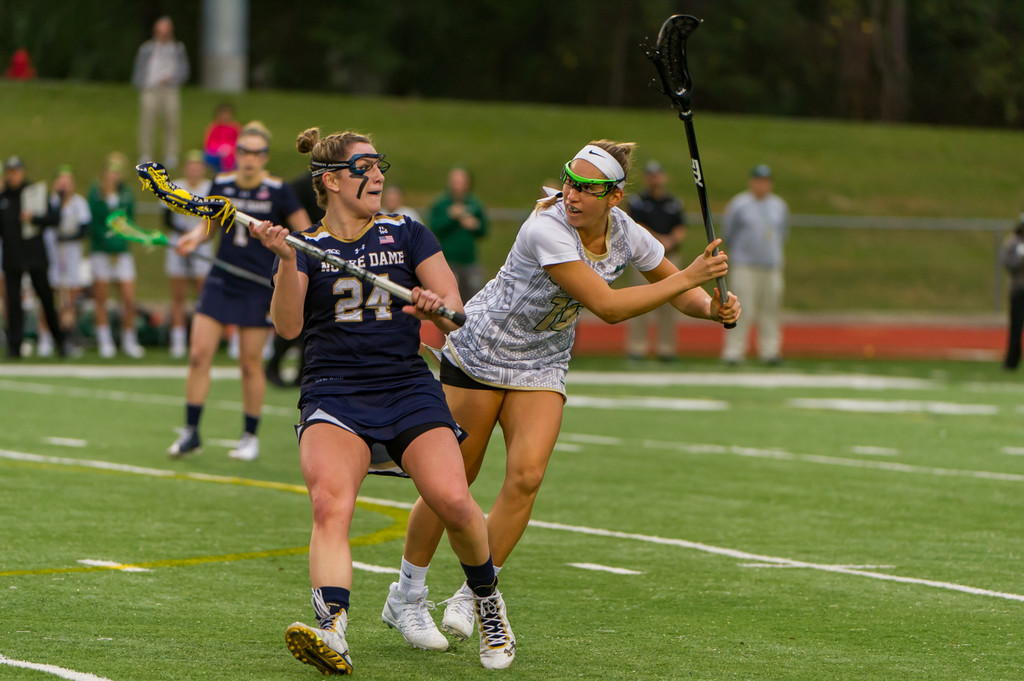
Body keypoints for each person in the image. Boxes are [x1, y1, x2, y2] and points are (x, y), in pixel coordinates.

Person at [382, 141, 738, 648]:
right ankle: (407, 597)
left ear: (614, 197)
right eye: (569, 181)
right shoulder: (545, 227)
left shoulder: (626, 233)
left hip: (541, 363)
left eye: (587, 188)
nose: (572, 194)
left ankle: (473, 593)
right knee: (452, 482)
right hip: (482, 352)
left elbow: (674, 288)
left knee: (526, 477)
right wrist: (692, 275)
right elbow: (608, 307)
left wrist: (709, 307)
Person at [250, 127, 514, 674]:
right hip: (333, 390)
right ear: (329, 181)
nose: (377, 174)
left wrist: (431, 307)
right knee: (330, 502)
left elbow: (454, 311)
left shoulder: (407, 234)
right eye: (363, 165)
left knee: (454, 500)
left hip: (405, 385)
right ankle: (333, 631)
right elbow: (287, 326)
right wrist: (281, 262)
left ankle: (488, 603)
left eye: (378, 164)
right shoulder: (306, 248)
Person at [167, 121, 310, 462]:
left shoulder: (278, 190)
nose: (250, 158)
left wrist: (283, 245)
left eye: (257, 152)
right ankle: (190, 433)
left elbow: (305, 232)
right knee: (199, 354)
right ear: (236, 154)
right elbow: (210, 226)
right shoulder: (222, 183)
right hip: (222, 279)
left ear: (266, 157)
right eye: (244, 151)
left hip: (259, 285)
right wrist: (192, 238)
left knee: (249, 363)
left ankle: (249, 436)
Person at [720, 164, 789, 366]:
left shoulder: (779, 205)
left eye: (765, 181)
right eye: (758, 180)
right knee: (742, 308)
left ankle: (770, 350)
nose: (762, 185)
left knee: (771, 309)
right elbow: (729, 232)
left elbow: (782, 233)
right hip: (745, 265)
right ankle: (734, 351)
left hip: (771, 265)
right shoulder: (739, 204)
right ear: (752, 182)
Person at [264, 170, 324, 389]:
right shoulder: (298, 187)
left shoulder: (333, 185)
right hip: (302, 255)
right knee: (298, 315)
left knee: (310, 317)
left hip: (315, 254)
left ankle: (300, 370)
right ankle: (276, 365)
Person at [0, 156, 64, 359]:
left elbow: (54, 219)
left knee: (46, 299)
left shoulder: (34, 193)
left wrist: (34, 218)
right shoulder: (4, 197)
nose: (14, 175)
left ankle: (60, 341)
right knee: (13, 303)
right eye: (10, 171)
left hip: (35, 256)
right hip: (12, 258)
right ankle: (14, 346)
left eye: (17, 170)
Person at [625, 160, 687, 361]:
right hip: (644, 258)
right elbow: (636, 225)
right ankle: (637, 348)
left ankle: (666, 349)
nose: (655, 178)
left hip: (670, 257)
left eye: (657, 174)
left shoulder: (673, 202)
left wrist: (670, 240)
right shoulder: (638, 201)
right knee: (640, 302)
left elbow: (680, 227)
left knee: (671, 303)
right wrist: (657, 240)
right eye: (651, 175)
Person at [88, 152, 145, 359]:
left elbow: (128, 222)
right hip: (101, 252)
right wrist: (108, 241)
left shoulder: (127, 194)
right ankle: (105, 340)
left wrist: (120, 241)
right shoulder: (95, 194)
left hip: (121, 252)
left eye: (118, 172)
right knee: (101, 297)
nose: (114, 176)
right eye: (111, 171)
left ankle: (129, 339)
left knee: (129, 298)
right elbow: (94, 224)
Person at [163, 150, 212, 359]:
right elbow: (166, 216)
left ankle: (200, 338)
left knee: (202, 294)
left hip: (201, 243)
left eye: (197, 166)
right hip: (179, 242)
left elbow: (213, 218)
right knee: (178, 294)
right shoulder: (177, 186)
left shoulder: (209, 188)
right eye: (190, 166)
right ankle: (178, 339)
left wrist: (197, 235)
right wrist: (183, 233)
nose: (194, 170)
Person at [132, 16, 189, 170]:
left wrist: (173, 79)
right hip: (150, 89)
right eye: (160, 31)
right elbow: (139, 68)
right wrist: (141, 84)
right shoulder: (147, 48)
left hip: (170, 90)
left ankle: (171, 154)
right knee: (147, 122)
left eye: (165, 31)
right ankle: (145, 153)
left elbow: (184, 70)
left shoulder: (177, 48)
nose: (162, 34)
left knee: (171, 123)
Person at [45, 165, 91, 356]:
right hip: (53, 256)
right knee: (51, 297)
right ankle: (46, 338)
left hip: (71, 257)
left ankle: (67, 336)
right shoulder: (50, 202)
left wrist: (68, 237)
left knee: (69, 300)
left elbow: (84, 228)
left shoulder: (78, 203)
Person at [428, 166, 487, 300]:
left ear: (467, 183)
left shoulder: (475, 204)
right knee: (450, 298)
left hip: (470, 261)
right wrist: (451, 217)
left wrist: (475, 225)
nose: (457, 185)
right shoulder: (441, 204)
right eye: (454, 181)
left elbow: (483, 230)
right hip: (448, 261)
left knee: (474, 297)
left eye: (460, 181)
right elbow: (434, 228)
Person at [1001, 213, 1024, 370]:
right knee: (1016, 326)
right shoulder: (1013, 242)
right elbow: (1006, 262)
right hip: (1019, 290)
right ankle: (1012, 361)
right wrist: (1020, 257)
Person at [202, 102, 241, 173]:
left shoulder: (235, 127)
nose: (225, 116)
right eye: (223, 113)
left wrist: (229, 149)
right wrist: (219, 149)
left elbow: (239, 142)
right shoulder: (214, 126)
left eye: (227, 114)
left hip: (231, 153)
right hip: (215, 152)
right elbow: (208, 142)